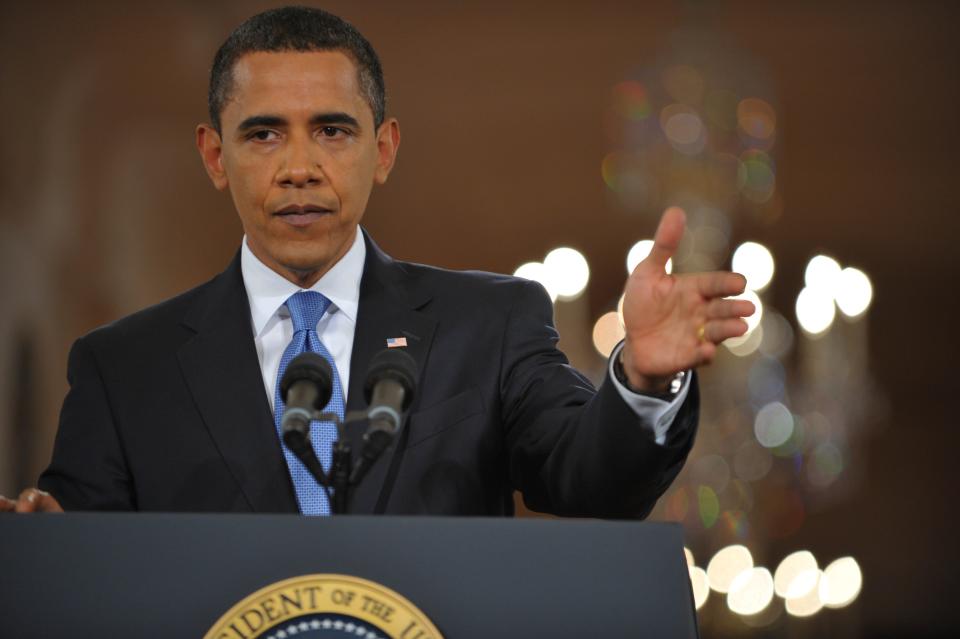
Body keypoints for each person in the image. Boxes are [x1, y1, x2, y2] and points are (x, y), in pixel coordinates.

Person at [0, 6, 752, 517]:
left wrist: (642, 379)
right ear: (213, 155)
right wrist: (48, 544)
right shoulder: (124, 368)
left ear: (383, 149)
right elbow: (78, 557)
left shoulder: (488, 326)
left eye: (332, 131)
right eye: (264, 135)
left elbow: (593, 479)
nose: (299, 167)